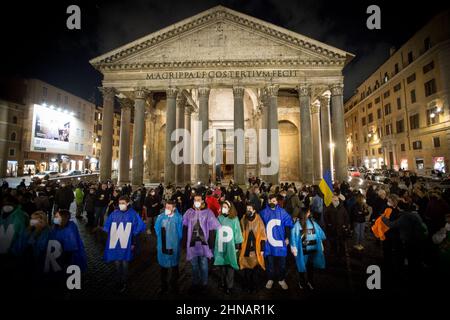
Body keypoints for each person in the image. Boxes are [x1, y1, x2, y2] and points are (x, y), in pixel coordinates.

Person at [103, 196, 146, 293]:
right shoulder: (114, 213)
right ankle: (118, 280)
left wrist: (133, 243)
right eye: (119, 202)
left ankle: (124, 281)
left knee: (125, 263)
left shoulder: (133, 214)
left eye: (123, 203)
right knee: (117, 263)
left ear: (127, 203)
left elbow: (137, 229)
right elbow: (107, 227)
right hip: (116, 243)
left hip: (127, 243)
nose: (121, 204)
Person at [182, 194, 220, 293]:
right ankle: (195, 283)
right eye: (195, 200)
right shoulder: (189, 212)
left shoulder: (208, 213)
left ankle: (204, 284)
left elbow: (212, 229)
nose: (197, 201)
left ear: (203, 201)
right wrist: (184, 241)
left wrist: (211, 244)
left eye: (198, 200)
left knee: (203, 264)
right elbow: (185, 227)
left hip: (203, 244)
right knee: (194, 265)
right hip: (192, 244)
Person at [260, 194, 293, 290]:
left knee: (282, 264)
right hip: (269, 244)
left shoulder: (282, 212)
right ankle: (270, 279)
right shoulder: (263, 213)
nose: (272, 203)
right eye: (270, 201)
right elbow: (260, 228)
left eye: (274, 201)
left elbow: (287, 224)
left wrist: (287, 237)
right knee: (270, 264)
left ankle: (281, 279)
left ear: (277, 202)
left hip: (280, 242)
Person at [290, 208, 326, 290]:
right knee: (308, 267)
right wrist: (320, 245)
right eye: (309, 211)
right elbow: (320, 235)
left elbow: (293, 238)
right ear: (307, 213)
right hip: (309, 251)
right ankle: (307, 281)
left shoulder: (298, 225)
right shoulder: (311, 223)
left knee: (304, 267)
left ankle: (305, 282)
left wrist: (294, 249)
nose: (310, 212)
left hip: (305, 252)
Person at [47, 209, 87, 284]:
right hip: (58, 258)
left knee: (69, 281)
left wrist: (63, 264)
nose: (54, 218)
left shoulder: (69, 230)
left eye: (56, 216)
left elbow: (69, 251)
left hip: (68, 260)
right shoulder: (57, 226)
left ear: (63, 218)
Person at [214, 200, 243, 294]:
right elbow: (215, 231)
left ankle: (229, 286)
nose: (223, 208)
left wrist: (237, 246)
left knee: (230, 266)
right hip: (221, 246)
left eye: (225, 207)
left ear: (230, 208)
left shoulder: (234, 219)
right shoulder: (219, 218)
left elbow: (237, 233)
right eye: (223, 207)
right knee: (222, 266)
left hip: (230, 246)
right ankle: (223, 283)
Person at [154, 200, 183, 294]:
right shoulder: (161, 217)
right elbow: (157, 229)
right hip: (163, 246)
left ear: (174, 208)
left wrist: (175, 241)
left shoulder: (178, 218)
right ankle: (164, 286)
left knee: (174, 268)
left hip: (174, 246)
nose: (167, 209)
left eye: (169, 207)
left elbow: (180, 233)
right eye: (166, 207)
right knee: (163, 269)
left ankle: (174, 286)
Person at [239, 203, 266, 293]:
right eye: (247, 208)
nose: (248, 210)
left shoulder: (259, 220)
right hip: (246, 249)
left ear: (254, 210)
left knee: (255, 270)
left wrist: (262, 249)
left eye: (250, 208)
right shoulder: (243, 219)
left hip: (256, 249)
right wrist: (238, 247)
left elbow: (262, 235)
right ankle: (247, 286)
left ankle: (254, 286)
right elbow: (239, 234)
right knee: (247, 270)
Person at [324, 194, 350, 261]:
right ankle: (333, 253)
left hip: (341, 229)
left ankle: (342, 254)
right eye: (335, 200)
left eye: (337, 200)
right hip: (332, 229)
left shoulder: (342, 208)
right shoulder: (329, 208)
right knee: (333, 242)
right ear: (332, 201)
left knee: (341, 242)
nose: (336, 201)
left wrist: (345, 225)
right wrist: (328, 224)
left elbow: (346, 217)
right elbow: (326, 217)